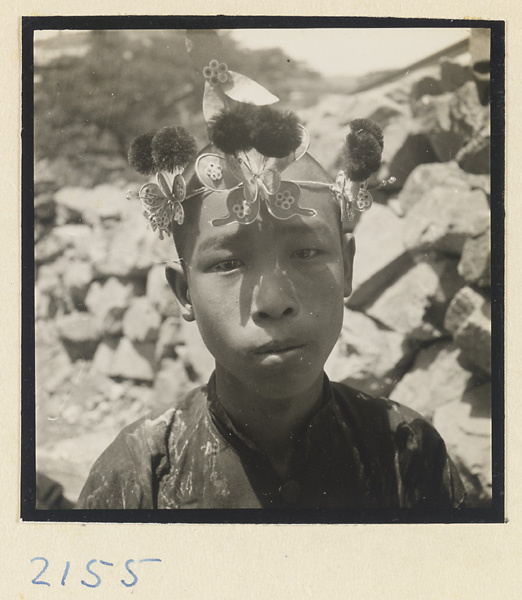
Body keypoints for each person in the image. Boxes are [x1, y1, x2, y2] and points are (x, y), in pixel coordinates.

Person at [76, 32, 466, 510]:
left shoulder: (408, 454)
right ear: (183, 292)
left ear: (347, 267)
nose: (273, 301)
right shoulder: (139, 477)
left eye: (305, 253)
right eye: (227, 263)